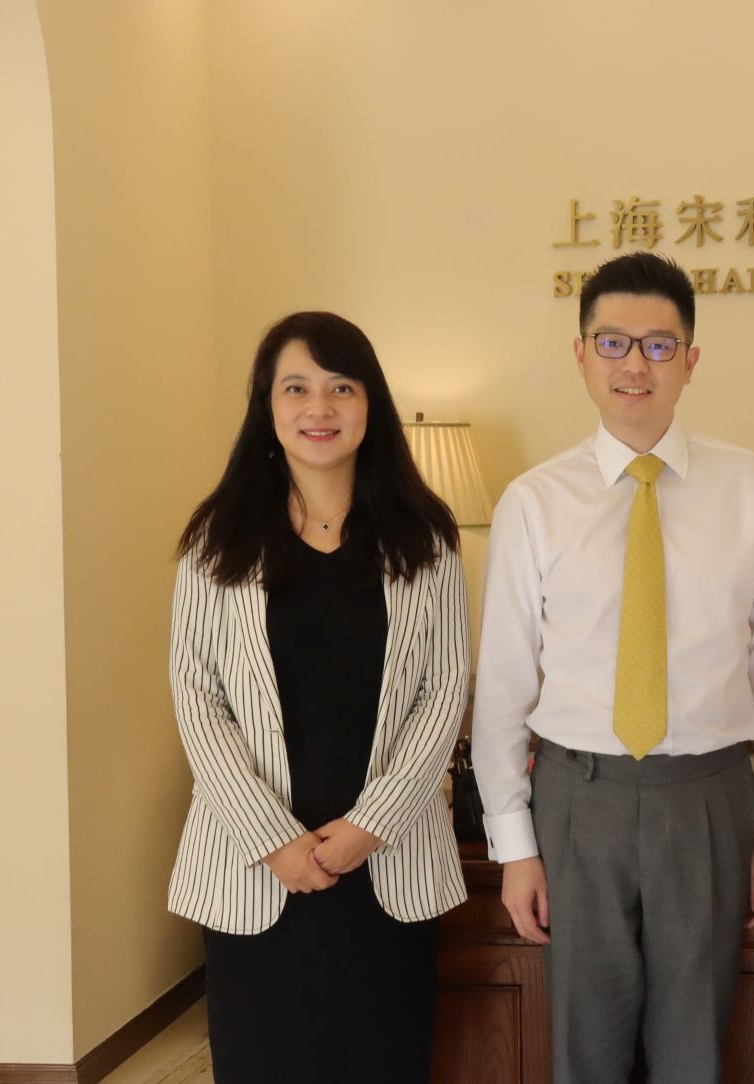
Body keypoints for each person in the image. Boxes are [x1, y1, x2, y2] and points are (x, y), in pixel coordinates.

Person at [473, 252, 754, 1082]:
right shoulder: (533, 501)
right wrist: (514, 847)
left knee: (695, 1046)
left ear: (690, 361)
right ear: (580, 354)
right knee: (585, 1047)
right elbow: (505, 685)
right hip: (577, 800)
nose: (634, 365)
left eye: (659, 346)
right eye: (612, 342)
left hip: (708, 795)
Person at [165, 311, 469, 1082]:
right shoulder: (216, 536)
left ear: (371, 404)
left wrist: (370, 825)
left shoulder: (425, 535)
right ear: (266, 407)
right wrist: (273, 838)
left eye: (341, 387)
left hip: (386, 865)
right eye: (296, 388)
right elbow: (196, 693)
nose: (319, 408)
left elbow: (444, 687)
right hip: (255, 866)